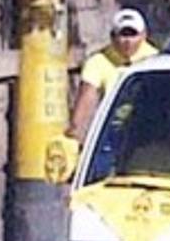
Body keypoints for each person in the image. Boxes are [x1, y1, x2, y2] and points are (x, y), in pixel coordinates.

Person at [68, 8, 159, 142]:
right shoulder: (97, 62)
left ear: (144, 35)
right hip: (114, 131)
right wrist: (75, 136)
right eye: (123, 35)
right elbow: (86, 102)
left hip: (150, 128)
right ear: (112, 37)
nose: (127, 41)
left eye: (133, 34)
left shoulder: (156, 59)